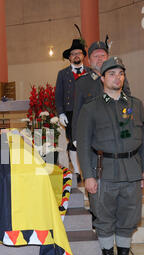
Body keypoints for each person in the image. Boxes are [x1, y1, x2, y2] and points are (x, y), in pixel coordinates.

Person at [76, 57, 144, 255]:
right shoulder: (91, 108)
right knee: (106, 220)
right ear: (102, 78)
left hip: (132, 170)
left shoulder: (136, 105)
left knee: (128, 220)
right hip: (103, 171)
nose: (117, 77)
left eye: (120, 73)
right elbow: (83, 143)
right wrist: (88, 175)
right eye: (112, 74)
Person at [72, 40, 131, 142]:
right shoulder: (82, 83)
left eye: (103, 55)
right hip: (92, 135)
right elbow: (77, 112)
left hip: (117, 133)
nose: (100, 58)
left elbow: (128, 103)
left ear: (108, 58)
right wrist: (76, 138)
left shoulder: (119, 78)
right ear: (89, 61)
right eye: (95, 56)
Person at [55, 38, 87, 184]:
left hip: (88, 112)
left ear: (83, 55)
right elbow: (58, 95)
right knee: (73, 143)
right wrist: (61, 113)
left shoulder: (90, 72)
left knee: (88, 142)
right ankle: (76, 171)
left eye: (78, 53)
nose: (76, 56)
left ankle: (88, 170)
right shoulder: (63, 74)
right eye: (73, 53)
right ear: (69, 57)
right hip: (70, 113)